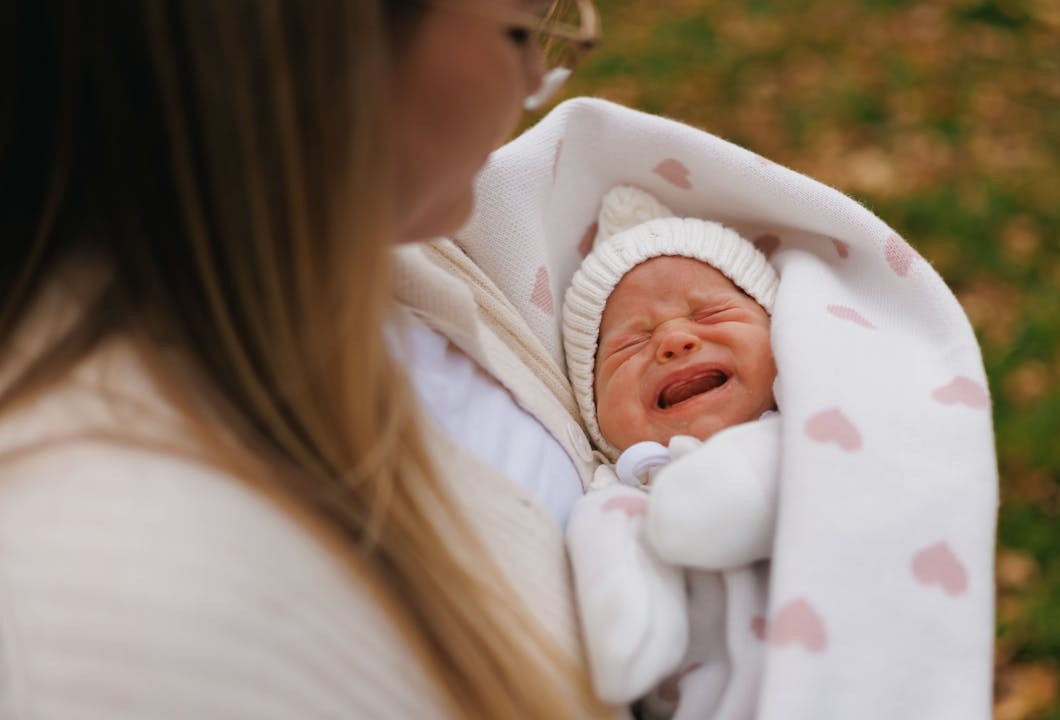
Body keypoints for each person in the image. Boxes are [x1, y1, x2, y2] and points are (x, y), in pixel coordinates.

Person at [0, 1, 615, 718]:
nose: (538, 78)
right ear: (321, 55)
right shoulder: (123, 617)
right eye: (517, 30)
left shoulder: (371, 270)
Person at [560, 185, 785, 718]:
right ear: (595, 414)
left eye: (709, 314)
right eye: (629, 344)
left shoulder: (806, 437)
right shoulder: (613, 493)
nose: (675, 341)